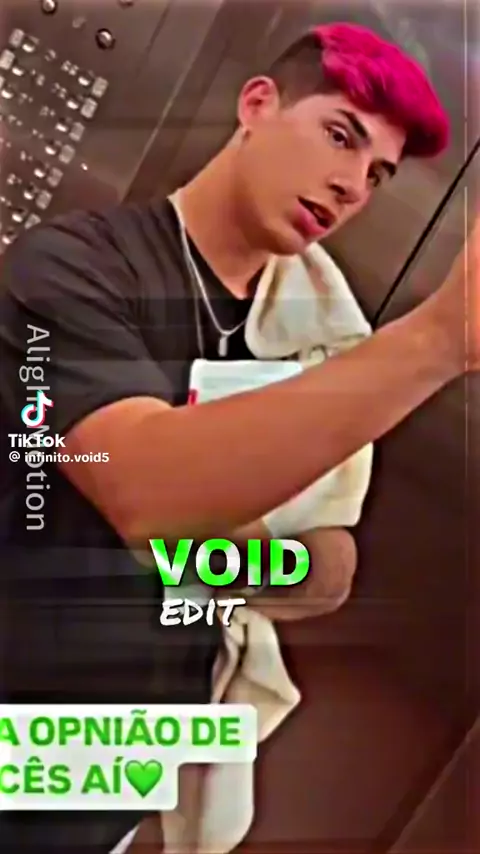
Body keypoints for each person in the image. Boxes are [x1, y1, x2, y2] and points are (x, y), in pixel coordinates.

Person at [0, 20, 477, 853]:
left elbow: (327, 570)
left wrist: (219, 548)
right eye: (340, 136)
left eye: (377, 174)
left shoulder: (318, 339)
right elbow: (146, 489)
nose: (350, 186)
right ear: (257, 104)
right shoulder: (70, 270)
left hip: (119, 765)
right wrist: (439, 340)